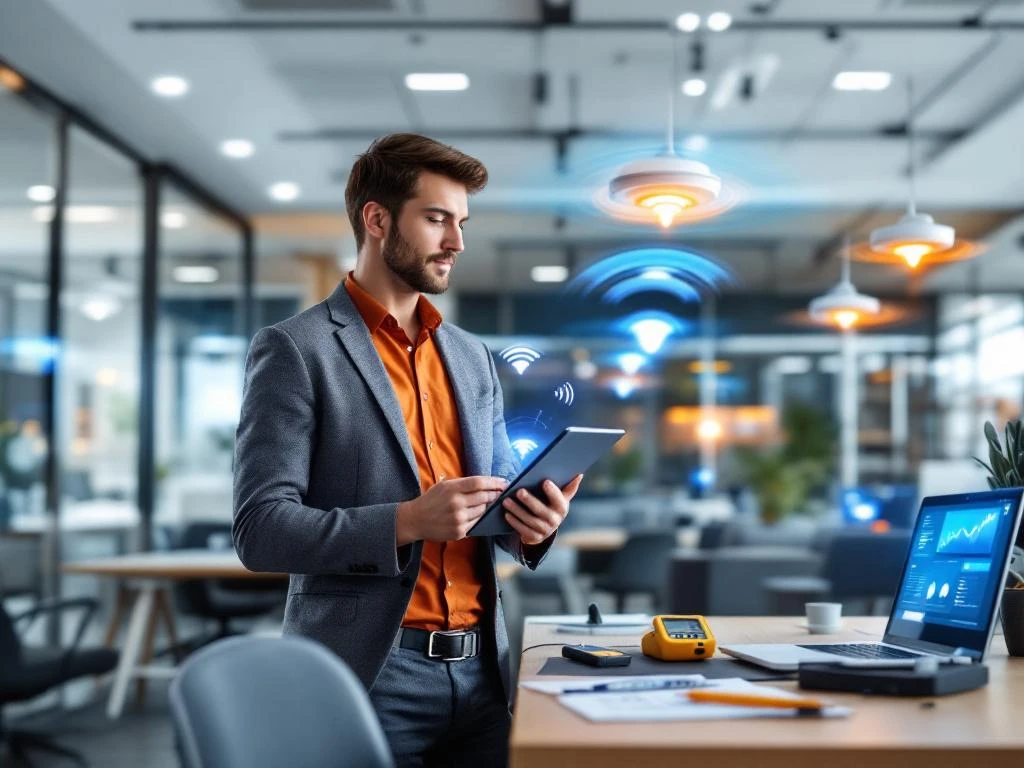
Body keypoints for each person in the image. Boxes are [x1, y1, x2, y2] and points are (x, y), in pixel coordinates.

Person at [232, 133, 582, 767]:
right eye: (437, 219)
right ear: (377, 219)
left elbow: (494, 504)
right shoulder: (295, 350)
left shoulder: (472, 358)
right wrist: (406, 521)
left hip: (486, 671)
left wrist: (533, 522)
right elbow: (261, 531)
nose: (457, 242)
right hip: (369, 672)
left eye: (461, 222)